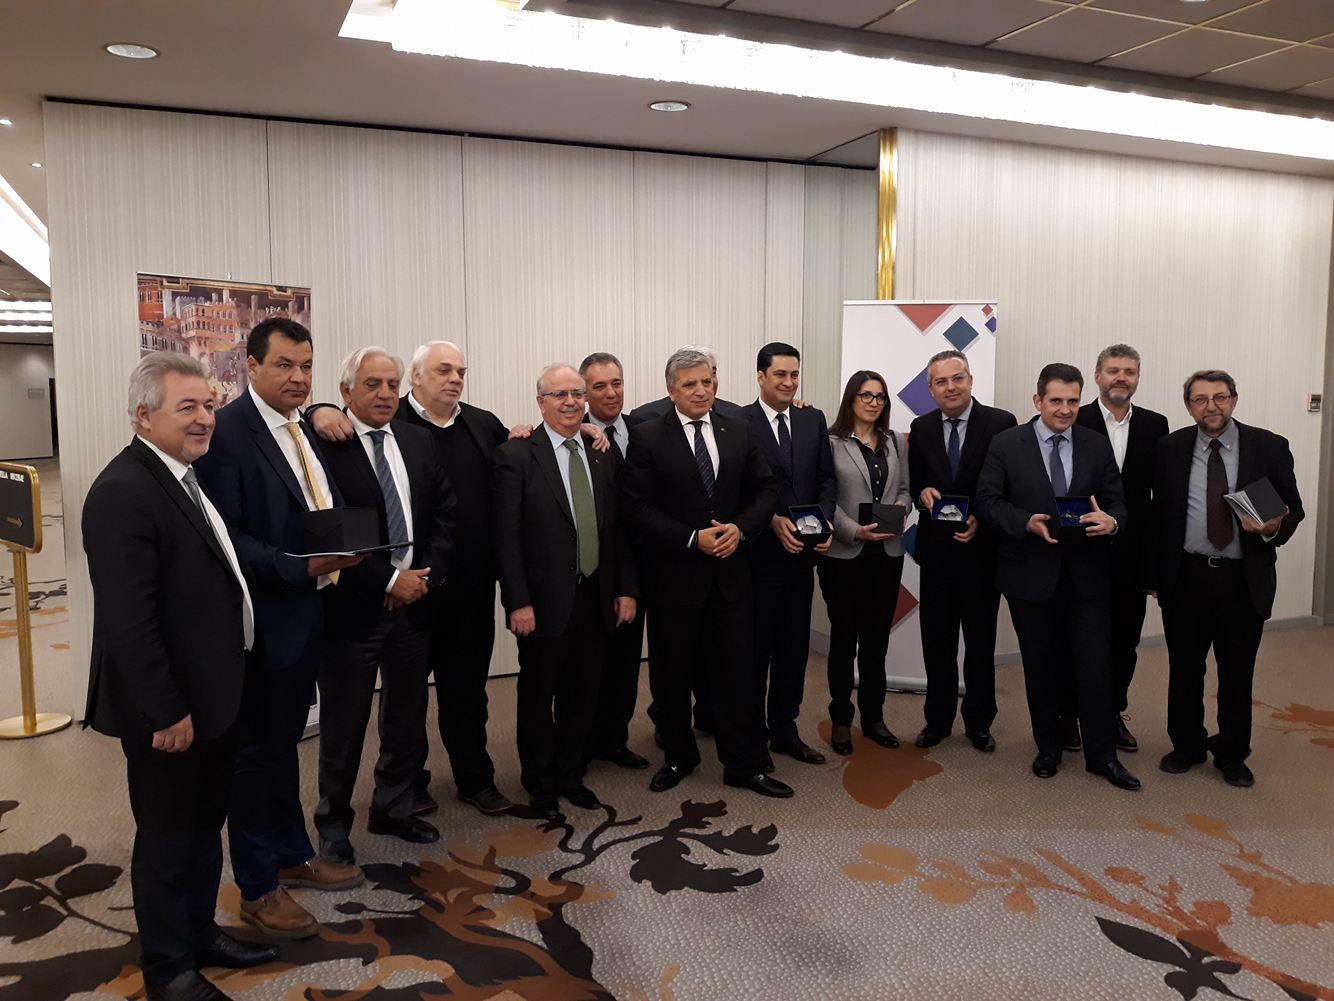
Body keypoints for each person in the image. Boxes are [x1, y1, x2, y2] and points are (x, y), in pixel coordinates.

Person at [83, 353, 273, 1001]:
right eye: (186, 406)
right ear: (144, 415)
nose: (204, 418)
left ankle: (200, 934)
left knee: (202, 826)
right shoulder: (122, 491)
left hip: (212, 696)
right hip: (169, 710)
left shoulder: (183, 475)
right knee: (167, 838)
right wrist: (165, 710)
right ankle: (168, 967)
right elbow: (129, 622)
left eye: (209, 405)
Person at [195, 318, 366, 940]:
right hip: (264, 620)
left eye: (307, 366)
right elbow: (227, 537)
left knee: (284, 743)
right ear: (251, 367)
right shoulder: (228, 434)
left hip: (312, 612)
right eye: (285, 366)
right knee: (255, 755)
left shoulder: (302, 425)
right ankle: (258, 886)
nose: (299, 377)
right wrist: (297, 568)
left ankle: (292, 854)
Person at [310, 340, 514, 817]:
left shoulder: (480, 425)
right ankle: (403, 789)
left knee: (461, 694)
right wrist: (320, 409)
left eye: (461, 371)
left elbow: (449, 510)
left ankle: (470, 780)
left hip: (456, 588)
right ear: (418, 379)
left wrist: (426, 574)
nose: (455, 379)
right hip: (383, 597)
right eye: (443, 370)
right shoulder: (366, 425)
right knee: (391, 707)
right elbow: (328, 507)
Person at [621, 347, 791, 798]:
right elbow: (636, 507)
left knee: (738, 674)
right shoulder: (647, 436)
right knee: (672, 675)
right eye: (690, 384)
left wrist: (741, 528)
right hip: (674, 579)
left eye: (707, 382)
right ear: (671, 390)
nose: (701, 391)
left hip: (731, 578)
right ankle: (680, 757)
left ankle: (745, 764)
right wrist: (691, 538)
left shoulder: (738, 430)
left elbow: (766, 491)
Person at [311, 347, 456, 864]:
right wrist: (389, 579)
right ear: (346, 391)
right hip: (352, 609)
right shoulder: (326, 443)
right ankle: (333, 824)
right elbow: (329, 529)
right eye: (372, 384)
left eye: (393, 384)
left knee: (406, 717)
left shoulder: (418, 440)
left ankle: (393, 808)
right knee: (345, 725)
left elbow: (445, 514)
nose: (385, 394)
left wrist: (423, 578)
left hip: (414, 604)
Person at [974, 363, 1141, 791]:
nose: (1065, 410)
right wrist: (1023, 521)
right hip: (1030, 574)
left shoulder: (1095, 444)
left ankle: (1101, 756)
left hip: (1088, 576)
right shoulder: (1007, 444)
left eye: (1072, 401)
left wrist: (1112, 521)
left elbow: (1118, 502)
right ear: (1038, 401)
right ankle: (1047, 747)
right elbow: (987, 501)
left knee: (1095, 666)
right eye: (1056, 401)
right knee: (1041, 666)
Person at [1146, 369, 1303, 788]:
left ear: (1234, 399)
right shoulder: (1169, 448)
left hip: (1241, 580)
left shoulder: (1268, 446)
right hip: (1187, 577)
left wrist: (1271, 528)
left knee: (1237, 672)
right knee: (1184, 669)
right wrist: (1155, 575)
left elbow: (1293, 507)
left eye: (1219, 397)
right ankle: (1187, 746)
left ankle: (1233, 754)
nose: (1211, 406)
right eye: (1200, 399)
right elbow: (1158, 516)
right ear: (1188, 406)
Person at [494, 364, 638, 817]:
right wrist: (518, 601)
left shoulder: (600, 453)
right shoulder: (516, 455)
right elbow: (506, 538)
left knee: (583, 693)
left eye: (577, 393)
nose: (572, 402)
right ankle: (540, 783)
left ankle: (571, 775)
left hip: (595, 597)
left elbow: (617, 530)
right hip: (541, 603)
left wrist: (625, 588)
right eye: (560, 395)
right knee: (538, 696)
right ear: (541, 402)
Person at [909, 350, 1017, 752]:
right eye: (941, 381)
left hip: (981, 553)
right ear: (930, 389)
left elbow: (1009, 488)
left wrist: (982, 521)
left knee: (980, 643)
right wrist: (922, 492)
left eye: (958, 378)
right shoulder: (920, 428)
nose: (951, 387)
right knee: (936, 641)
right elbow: (917, 484)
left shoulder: (1001, 423)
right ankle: (937, 720)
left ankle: (979, 722)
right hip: (936, 555)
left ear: (970, 380)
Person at [742, 342, 836, 765]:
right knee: (755, 652)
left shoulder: (812, 418)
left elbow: (826, 478)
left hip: (802, 557)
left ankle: (785, 730)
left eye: (794, 374)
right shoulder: (738, 423)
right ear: (761, 377)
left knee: (794, 650)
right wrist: (771, 520)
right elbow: (736, 488)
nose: (788, 382)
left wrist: (826, 518)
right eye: (780, 374)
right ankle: (751, 736)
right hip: (758, 559)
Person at [1072, 344, 1169, 753]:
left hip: (1131, 557)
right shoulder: (1074, 417)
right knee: (1074, 639)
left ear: (1137, 378)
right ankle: (1069, 716)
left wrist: (1155, 566)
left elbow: (1159, 500)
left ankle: (1112, 713)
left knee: (1124, 641)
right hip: (1079, 549)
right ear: (1098, 375)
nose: (1121, 378)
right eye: (1114, 370)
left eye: (1129, 371)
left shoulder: (1155, 425)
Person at [818, 371, 911, 756]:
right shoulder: (830, 442)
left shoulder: (895, 441)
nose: (874, 402)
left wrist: (898, 513)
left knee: (876, 641)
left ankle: (874, 718)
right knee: (844, 640)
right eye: (866, 395)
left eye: (880, 397)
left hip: (886, 553)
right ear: (851, 399)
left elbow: (904, 489)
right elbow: (825, 496)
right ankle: (841, 719)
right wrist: (853, 530)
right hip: (845, 554)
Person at [581, 351, 650, 770]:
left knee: (626, 660)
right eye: (600, 386)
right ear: (585, 392)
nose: (611, 393)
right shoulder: (574, 433)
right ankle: (583, 740)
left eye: (617, 383)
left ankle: (615, 739)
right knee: (591, 661)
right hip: (596, 568)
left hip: (642, 565)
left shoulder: (644, 430)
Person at [629, 343, 746, 422]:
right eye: (690, 383)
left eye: (711, 375)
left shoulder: (737, 415)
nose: (701, 391)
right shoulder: (646, 417)